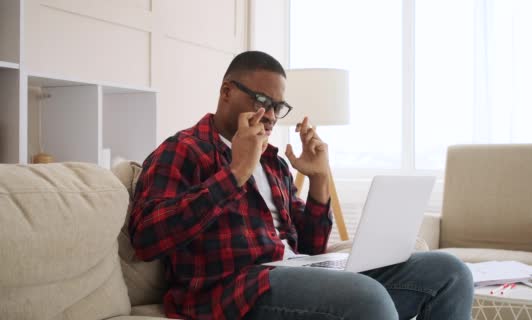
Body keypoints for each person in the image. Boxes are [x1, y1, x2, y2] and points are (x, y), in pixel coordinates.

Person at [129, 50, 474, 320]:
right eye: (261, 101)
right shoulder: (184, 150)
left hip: (291, 274)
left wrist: (319, 180)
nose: (270, 116)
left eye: (278, 107)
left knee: (450, 273)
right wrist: (234, 174)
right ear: (226, 92)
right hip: (233, 291)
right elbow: (146, 237)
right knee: (366, 298)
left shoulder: (273, 161)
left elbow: (309, 246)